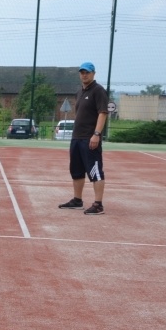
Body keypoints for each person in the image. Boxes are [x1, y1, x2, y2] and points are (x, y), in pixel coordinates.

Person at [59, 62, 108, 215]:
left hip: (90, 138)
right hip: (77, 138)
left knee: (95, 171)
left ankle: (98, 204)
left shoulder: (98, 91)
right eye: (82, 72)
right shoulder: (79, 92)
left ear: (93, 73)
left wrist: (96, 134)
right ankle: (77, 200)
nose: (84, 75)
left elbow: (103, 113)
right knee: (76, 170)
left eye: (87, 72)